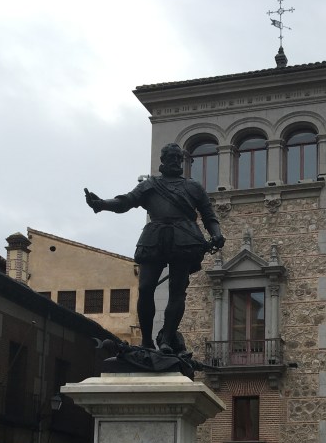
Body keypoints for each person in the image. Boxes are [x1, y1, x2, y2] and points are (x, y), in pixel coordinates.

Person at [85, 142, 225, 354]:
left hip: (184, 239)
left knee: (177, 291)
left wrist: (216, 234)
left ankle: (166, 339)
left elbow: (208, 215)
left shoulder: (193, 187)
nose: (175, 161)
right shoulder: (150, 185)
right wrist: (102, 204)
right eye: (171, 157)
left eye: (178, 158)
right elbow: (126, 202)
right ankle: (147, 341)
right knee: (145, 288)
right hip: (154, 237)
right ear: (163, 160)